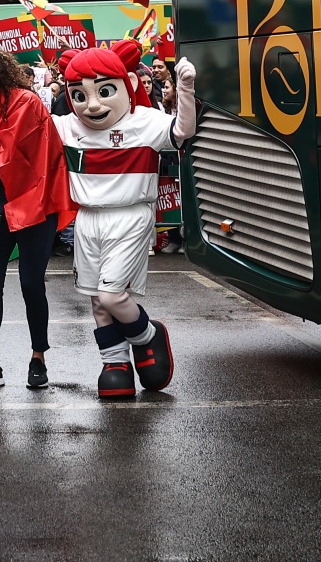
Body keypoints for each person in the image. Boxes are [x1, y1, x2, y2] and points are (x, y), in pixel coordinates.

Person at [54, 43, 193, 399]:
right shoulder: (67, 127)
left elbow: (183, 132)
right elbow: (23, 123)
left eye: (103, 91)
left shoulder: (144, 122)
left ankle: (148, 336)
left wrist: (186, 90)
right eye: (79, 95)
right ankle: (114, 362)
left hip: (130, 215)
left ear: (127, 83)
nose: (93, 104)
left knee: (113, 296)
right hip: (87, 219)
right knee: (98, 302)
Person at [0, 44, 74, 390]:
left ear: (0, 68)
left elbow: (45, 156)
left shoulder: (26, 102)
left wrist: (29, 200)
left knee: (31, 284)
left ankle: (38, 357)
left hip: (34, 204)